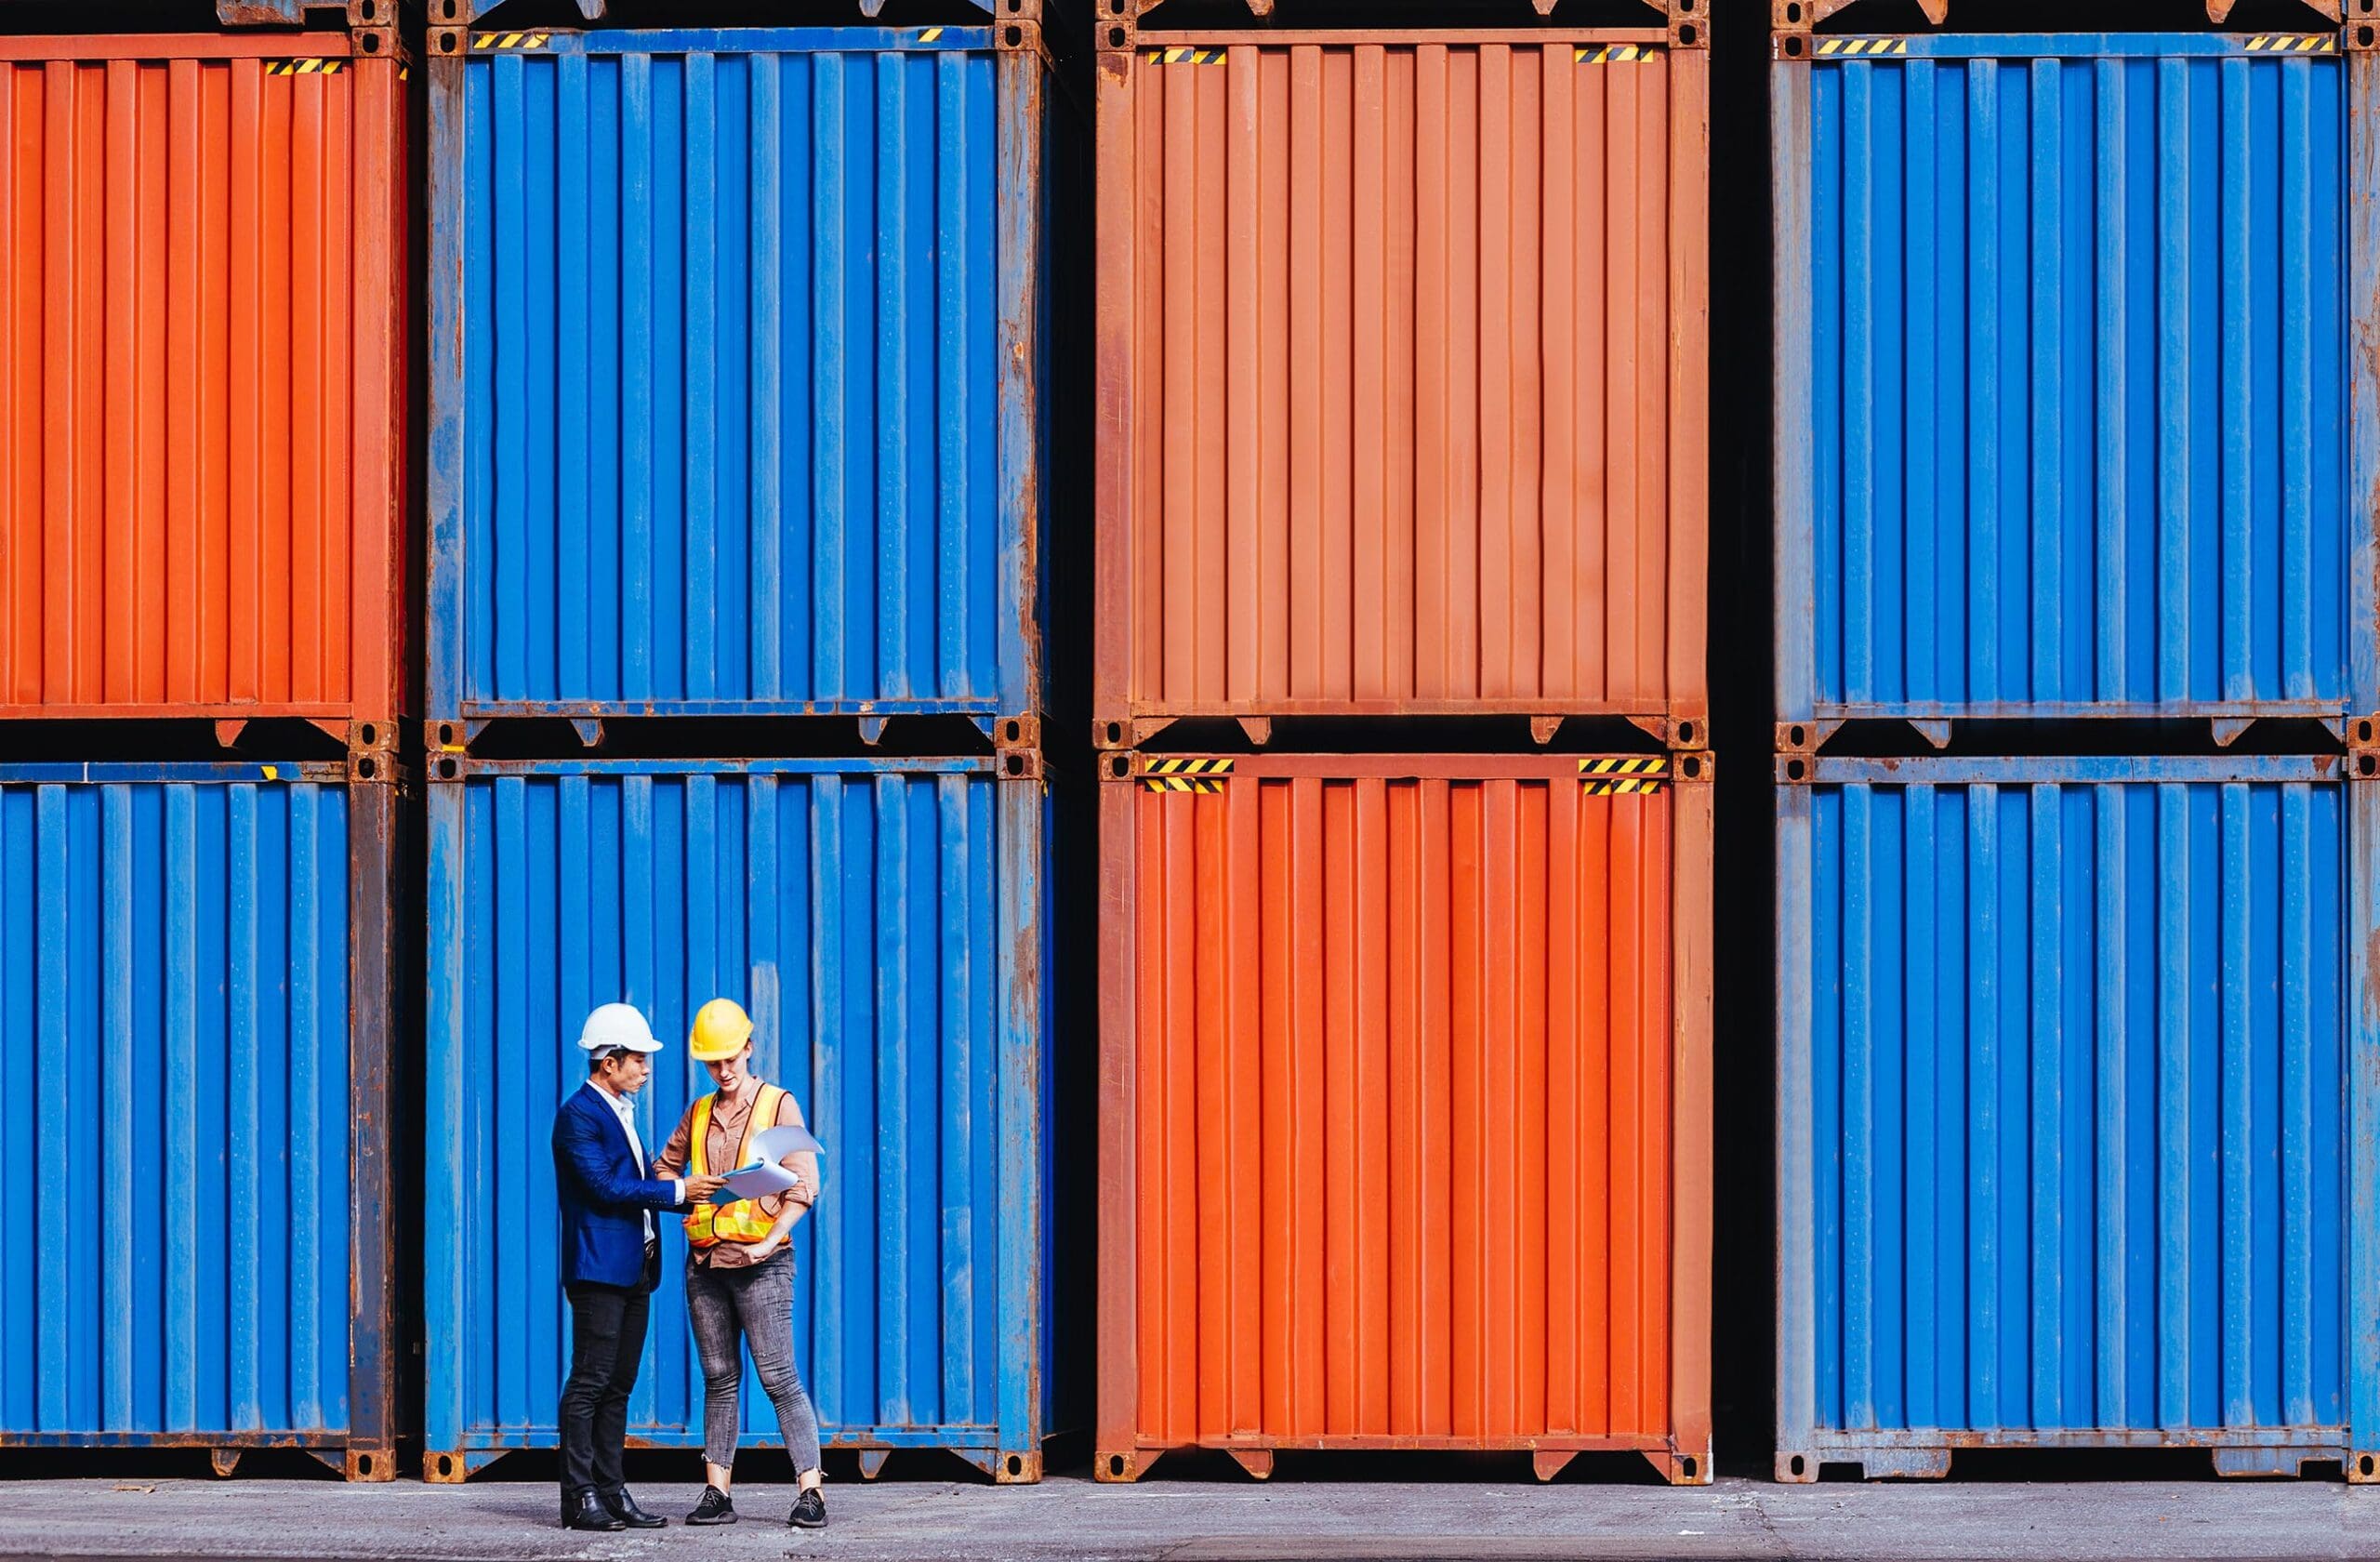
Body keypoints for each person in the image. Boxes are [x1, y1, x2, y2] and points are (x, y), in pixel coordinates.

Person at [551, 1002, 729, 1533]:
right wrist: (680, 1190)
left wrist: (699, 1192)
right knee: (589, 1381)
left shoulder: (621, 1110)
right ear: (608, 1061)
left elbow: (636, 1183)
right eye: (638, 1059)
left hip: (634, 1269)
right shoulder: (578, 1115)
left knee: (619, 1385)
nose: (647, 1067)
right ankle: (579, 1496)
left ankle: (611, 1491)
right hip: (598, 1270)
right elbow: (605, 1187)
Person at [653, 997, 828, 1530]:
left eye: (731, 1057)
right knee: (719, 1378)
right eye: (713, 1062)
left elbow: (805, 1185)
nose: (723, 1070)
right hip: (707, 1265)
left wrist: (770, 1238)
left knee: (779, 1377)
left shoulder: (779, 1105)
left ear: (749, 1049)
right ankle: (716, 1492)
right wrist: (685, 1190)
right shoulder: (699, 1113)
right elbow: (664, 1170)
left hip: (764, 1263)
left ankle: (812, 1493)